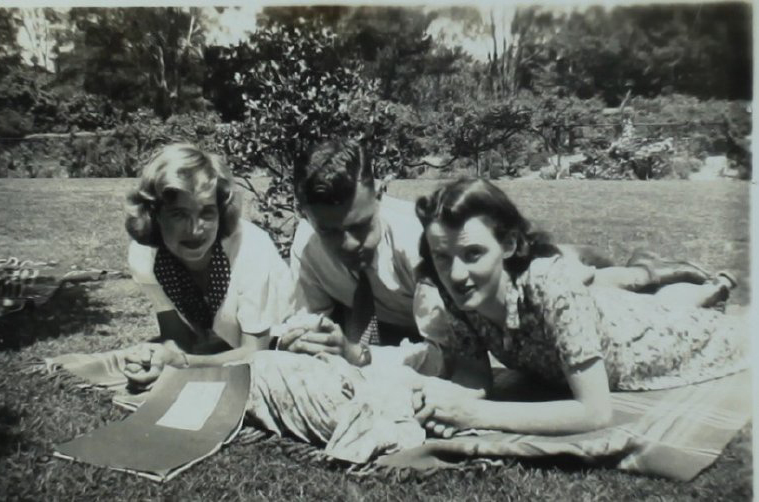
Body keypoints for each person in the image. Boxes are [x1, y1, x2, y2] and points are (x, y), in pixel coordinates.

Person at [277, 138, 716, 375]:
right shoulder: (307, 246)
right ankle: (649, 276)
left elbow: (445, 355)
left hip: (514, 276)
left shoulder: (424, 246)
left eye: (360, 226)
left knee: (579, 275)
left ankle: (644, 272)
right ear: (305, 216)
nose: (348, 244)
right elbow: (304, 322)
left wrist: (359, 355)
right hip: (428, 310)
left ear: (379, 195)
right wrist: (306, 338)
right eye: (330, 231)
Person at [408, 178, 746, 436]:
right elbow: (474, 374)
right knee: (655, 305)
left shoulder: (550, 286)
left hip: (649, 342)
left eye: (473, 254)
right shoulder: (457, 294)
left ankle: (710, 289)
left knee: (717, 330)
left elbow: (595, 412)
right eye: (442, 257)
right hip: (612, 312)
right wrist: (444, 400)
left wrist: (475, 415)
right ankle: (700, 290)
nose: (456, 274)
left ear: (508, 244)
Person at [121, 144, 292, 388]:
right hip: (222, 352)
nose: (195, 229)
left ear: (222, 212)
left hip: (283, 354)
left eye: (207, 212)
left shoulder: (252, 248)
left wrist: (181, 363)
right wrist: (156, 360)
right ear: (154, 214)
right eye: (179, 214)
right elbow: (177, 338)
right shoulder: (144, 257)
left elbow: (256, 355)